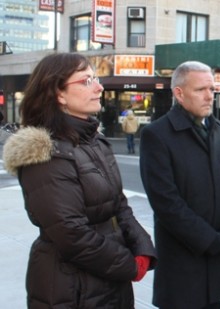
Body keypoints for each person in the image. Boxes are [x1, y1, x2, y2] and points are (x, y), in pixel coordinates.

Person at [2, 53, 157, 308]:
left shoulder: (95, 141)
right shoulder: (44, 152)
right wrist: (128, 265)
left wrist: (142, 247)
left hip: (110, 280)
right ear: (59, 94)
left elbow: (120, 205)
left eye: (96, 79)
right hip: (71, 287)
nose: (99, 87)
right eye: (86, 81)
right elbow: (72, 234)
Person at [139, 61, 220, 309]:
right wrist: (208, 239)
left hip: (219, 258)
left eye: (212, 89)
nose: (209, 96)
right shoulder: (157, 134)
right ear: (179, 93)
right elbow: (165, 202)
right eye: (200, 90)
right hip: (183, 263)